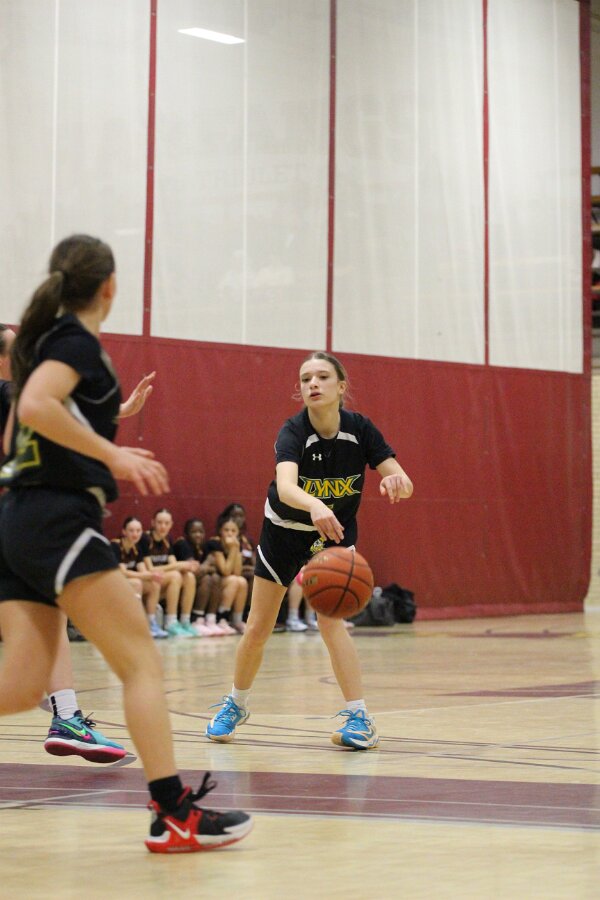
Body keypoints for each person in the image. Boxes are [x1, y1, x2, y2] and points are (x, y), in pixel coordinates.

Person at [0, 234, 252, 851]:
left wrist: (103, 430)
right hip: (58, 518)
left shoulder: (43, 343)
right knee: (140, 662)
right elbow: (33, 407)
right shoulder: (73, 342)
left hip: (22, 518)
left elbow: (16, 436)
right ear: (110, 286)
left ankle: (173, 813)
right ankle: (174, 813)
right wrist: (110, 455)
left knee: (23, 686)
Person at [206, 350, 412, 750]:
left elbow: (402, 479)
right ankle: (236, 704)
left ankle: (360, 718)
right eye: (305, 379)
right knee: (258, 628)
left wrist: (397, 482)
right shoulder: (293, 431)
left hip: (333, 535)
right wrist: (315, 504)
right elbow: (286, 487)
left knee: (332, 624)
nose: (312, 384)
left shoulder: (360, 430)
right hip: (284, 532)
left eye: (321, 376)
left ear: (341, 386)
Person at [2, 323, 153, 761]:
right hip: (24, 519)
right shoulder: (12, 392)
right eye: (16, 347)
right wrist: (117, 432)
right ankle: (66, 716)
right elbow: (60, 416)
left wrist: (119, 411)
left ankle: (66, 716)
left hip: (17, 521)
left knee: (50, 615)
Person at [138, 509, 201, 638]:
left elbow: (174, 564)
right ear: (153, 523)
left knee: (189, 577)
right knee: (175, 576)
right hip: (148, 583)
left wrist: (187, 566)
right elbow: (150, 570)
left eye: (166, 523)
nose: (163, 526)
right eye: (160, 522)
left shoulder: (167, 539)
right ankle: (170, 622)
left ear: (171, 524)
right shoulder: (145, 539)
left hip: (162, 582)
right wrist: (178, 565)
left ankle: (185, 621)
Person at [112, 516, 168, 639]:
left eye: (138, 531)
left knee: (154, 584)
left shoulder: (137, 548)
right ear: (124, 531)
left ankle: (152, 623)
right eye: (131, 530)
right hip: (110, 584)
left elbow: (143, 570)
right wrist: (147, 575)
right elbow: (122, 573)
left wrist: (153, 576)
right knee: (137, 583)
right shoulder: (116, 546)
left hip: (128, 583)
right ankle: (136, 624)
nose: (135, 534)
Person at [173, 518, 223, 636]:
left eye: (201, 532)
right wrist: (207, 563)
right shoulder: (182, 544)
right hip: (182, 583)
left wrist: (205, 567)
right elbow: (194, 570)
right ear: (186, 533)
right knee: (207, 579)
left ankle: (211, 620)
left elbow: (213, 568)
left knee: (216, 578)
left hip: (196, 582)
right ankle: (196, 619)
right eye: (194, 532)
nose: (198, 535)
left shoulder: (203, 546)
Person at [204, 517, 249, 634]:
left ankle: (237, 620)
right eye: (226, 530)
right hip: (212, 580)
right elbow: (225, 571)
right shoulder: (215, 543)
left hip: (226, 580)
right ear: (220, 531)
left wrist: (235, 549)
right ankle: (222, 618)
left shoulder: (236, 545)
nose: (230, 533)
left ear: (238, 532)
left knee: (242, 581)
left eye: (233, 531)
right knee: (234, 580)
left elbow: (237, 572)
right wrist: (234, 549)